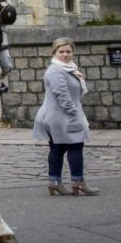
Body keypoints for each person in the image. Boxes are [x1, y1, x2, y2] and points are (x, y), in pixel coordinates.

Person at [32, 38, 99, 196]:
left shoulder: (69, 69)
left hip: (59, 115)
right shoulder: (56, 70)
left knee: (58, 148)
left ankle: (54, 182)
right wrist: (74, 113)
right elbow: (62, 94)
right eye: (61, 51)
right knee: (75, 146)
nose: (65, 54)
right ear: (54, 53)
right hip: (62, 116)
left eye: (68, 51)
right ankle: (78, 182)